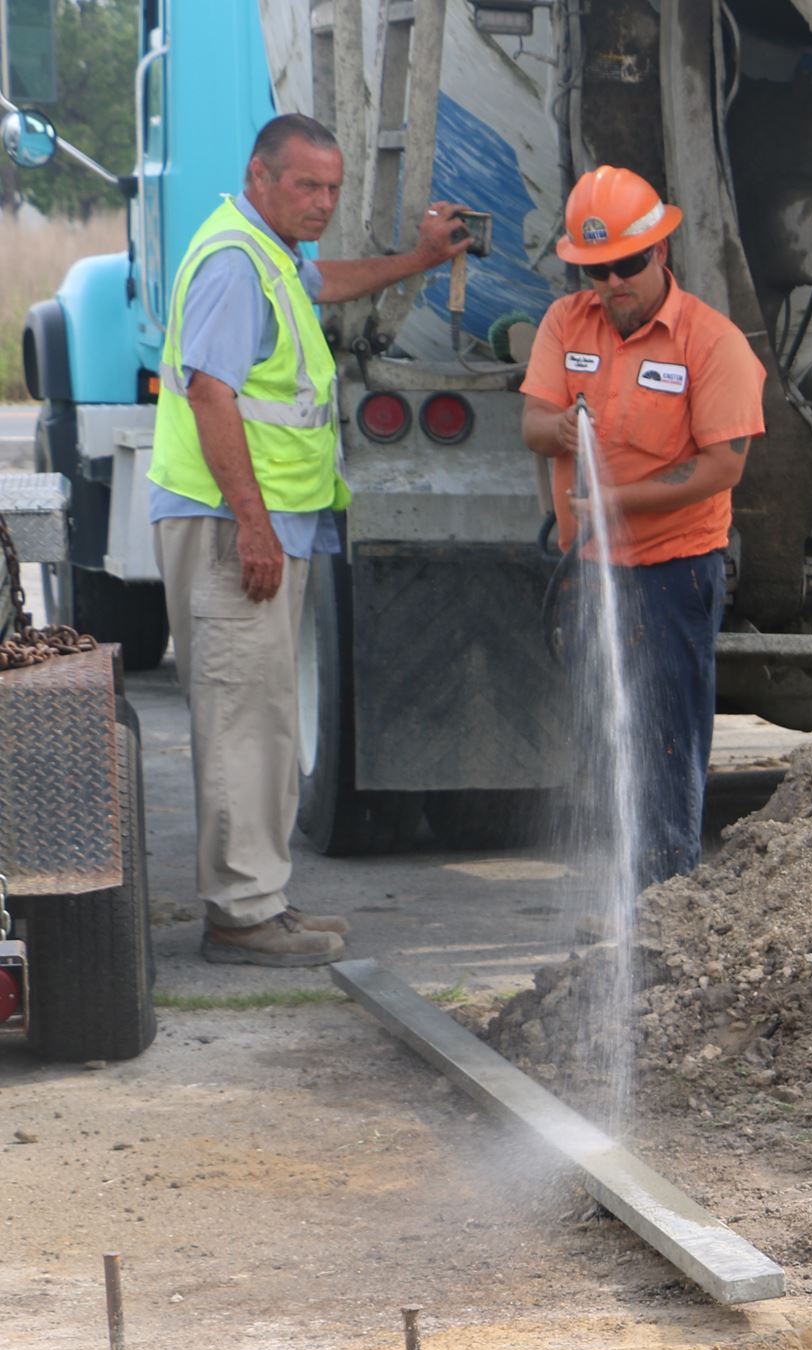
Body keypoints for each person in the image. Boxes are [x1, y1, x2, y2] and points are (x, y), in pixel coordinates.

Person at [149, 114, 475, 967]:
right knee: (243, 719)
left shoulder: (270, 255)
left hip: (265, 522)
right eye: (307, 186)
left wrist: (418, 259)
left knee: (264, 718)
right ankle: (242, 915)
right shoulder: (233, 263)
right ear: (259, 177)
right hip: (232, 525)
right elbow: (210, 396)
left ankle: (261, 900)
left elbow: (324, 280)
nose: (323, 203)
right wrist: (253, 526)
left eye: (332, 188)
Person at [520, 165, 766, 886]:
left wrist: (615, 500)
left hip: (673, 569)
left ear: (661, 253)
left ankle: (666, 893)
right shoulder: (567, 323)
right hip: (591, 566)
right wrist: (559, 430)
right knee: (607, 734)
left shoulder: (711, 344)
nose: (612, 283)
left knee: (666, 740)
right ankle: (623, 885)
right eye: (595, 270)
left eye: (626, 264)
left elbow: (721, 466)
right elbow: (532, 421)